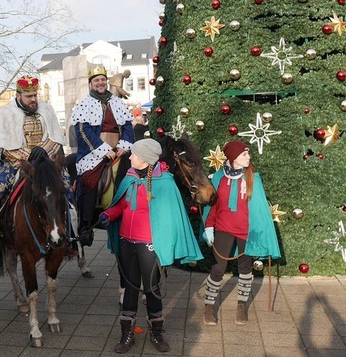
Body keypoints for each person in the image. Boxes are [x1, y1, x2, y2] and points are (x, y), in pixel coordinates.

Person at [99, 138, 202, 353]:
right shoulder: (129, 178)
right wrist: (108, 215)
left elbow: (171, 217)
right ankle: (127, 333)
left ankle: (156, 331)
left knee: (152, 289)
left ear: (145, 159)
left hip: (149, 245)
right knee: (130, 288)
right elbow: (121, 205)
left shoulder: (164, 182)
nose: (130, 157)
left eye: (134, 154)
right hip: (128, 242)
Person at [201, 140, 281, 326]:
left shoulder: (253, 177)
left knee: (245, 270)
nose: (248, 157)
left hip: (246, 233)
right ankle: (208, 306)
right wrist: (209, 226)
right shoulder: (218, 177)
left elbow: (260, 209)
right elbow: (213, 206)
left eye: (248, 154)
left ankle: (241, 306)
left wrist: (261, 234)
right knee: (218, 269)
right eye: (244, 154)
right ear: (233, 157)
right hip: (223, 229)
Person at [0, 76, 67, 218]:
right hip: (15, 164)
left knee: (67, 188)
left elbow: (55, 138)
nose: (33, 99)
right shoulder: (5, 114)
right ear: (18, 96)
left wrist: (43, 151)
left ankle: (73, 230)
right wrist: (30, 157)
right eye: (28, 96)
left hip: (47, 161)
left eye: (35, 95)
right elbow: (6, 147)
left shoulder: (47, 110)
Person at [71, 65, 134, 246]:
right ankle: (86, 225)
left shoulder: (118, 102)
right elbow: (83, 131)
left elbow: (128, 126)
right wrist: (103, 149)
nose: (100, 83)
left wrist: (123, 146)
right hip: (94, 152)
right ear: (91, 84)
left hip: (120, 149)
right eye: (96, 80)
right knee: (90, 180)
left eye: (102, 79)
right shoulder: (84, 104)